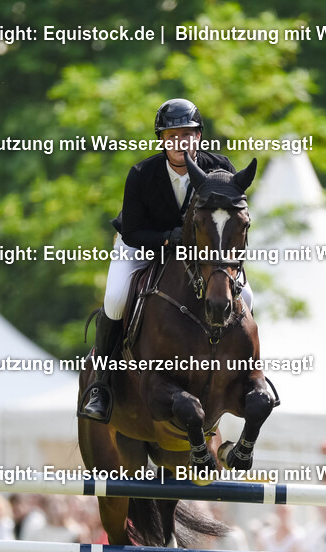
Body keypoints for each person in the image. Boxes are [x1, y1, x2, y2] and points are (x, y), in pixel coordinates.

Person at [79, 98, 254, 422]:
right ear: (162, 140)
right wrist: (166, 238)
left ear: (198, 136)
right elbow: (133, 231)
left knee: (248, 297)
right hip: (141, 246)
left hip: (201, 254)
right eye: (172, 135)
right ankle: (101, 384)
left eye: (187, 134)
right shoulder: (142, 174)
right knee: (115, 299)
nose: (180, 142)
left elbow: (231, 219)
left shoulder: (220, 168)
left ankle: (244, 375)